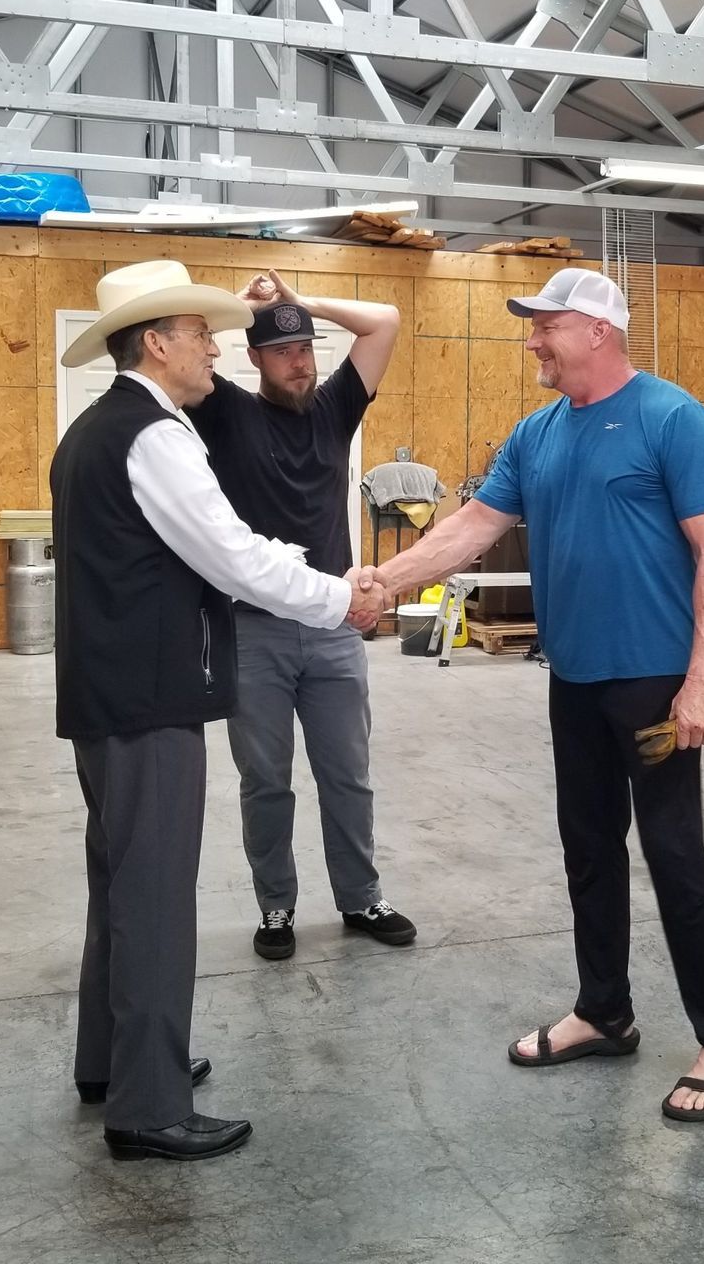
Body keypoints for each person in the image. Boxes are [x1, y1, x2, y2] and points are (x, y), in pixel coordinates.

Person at [370, 267, 704, 1122]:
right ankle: (604, 1010)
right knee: (587, 847)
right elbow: (473, 527)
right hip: (575, 675)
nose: (532, 341)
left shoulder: (673, 419)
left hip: (654, 680)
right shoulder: (538, 432)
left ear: (597, 331)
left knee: (674, 855)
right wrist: (383, 580)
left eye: (544, 326)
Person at [51, 259, 386, 1163]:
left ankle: (110, 1064)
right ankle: (147, 1107)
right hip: (147, 696)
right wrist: (338, 598)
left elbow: (221, 544)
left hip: (106, 693)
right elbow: (232, 557)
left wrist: (313, 579)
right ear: (157, 344)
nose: (214, 349)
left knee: (118, 885)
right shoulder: (155, 437)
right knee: (155, 896)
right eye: (200, 334)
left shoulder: (100, 428)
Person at [186, 268, 416, 960]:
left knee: (347, 774)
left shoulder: (336, 408)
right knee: (267, 782)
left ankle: (360, 898)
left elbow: (385, 319)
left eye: (306, 347)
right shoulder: (224, 409)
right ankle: (276, 907)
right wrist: (242, 308)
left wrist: (298, 302)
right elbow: (181, 345)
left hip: (333, 625)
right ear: (253, 358)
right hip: (252, 629)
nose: (300, 361)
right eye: (283, 351)